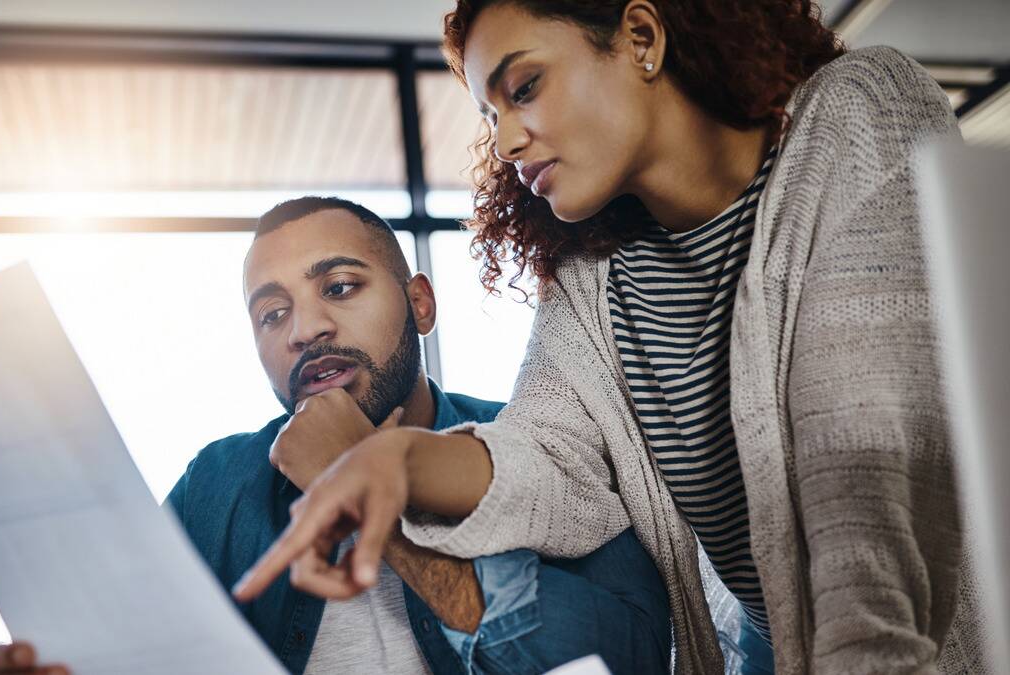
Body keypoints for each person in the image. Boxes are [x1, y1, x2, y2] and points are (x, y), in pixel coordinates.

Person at [234, 2, 987, 674]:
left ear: (641, 37)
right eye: (491, 117)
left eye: (523, 88)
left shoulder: (858, 112)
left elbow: (867, 470)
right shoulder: (595, 277)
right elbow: (547, 454)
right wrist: (399, 457)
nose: (506, 142)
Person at [0, 196, 672, 675]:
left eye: (339, 287)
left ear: (421, 303)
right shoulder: (217, 483)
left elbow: (632, 657)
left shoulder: (539, 440)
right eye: (272, 313)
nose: (303, 329)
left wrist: (365, 482)